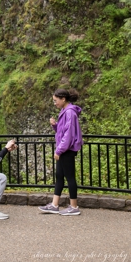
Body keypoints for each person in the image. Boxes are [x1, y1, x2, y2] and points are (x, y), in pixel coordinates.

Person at [40, 88, 84, 216]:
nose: (54, 103)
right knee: (59, 175)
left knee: (70, 177)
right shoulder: (65, 111)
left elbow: (68, 135)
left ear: (63, 99)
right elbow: (62, 131)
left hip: (67, 150)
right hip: (65, 148)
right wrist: (55, 125)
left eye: (55, 100)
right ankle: (54, 205)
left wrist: (59, 151)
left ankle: (74, 207)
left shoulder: (70, 112)